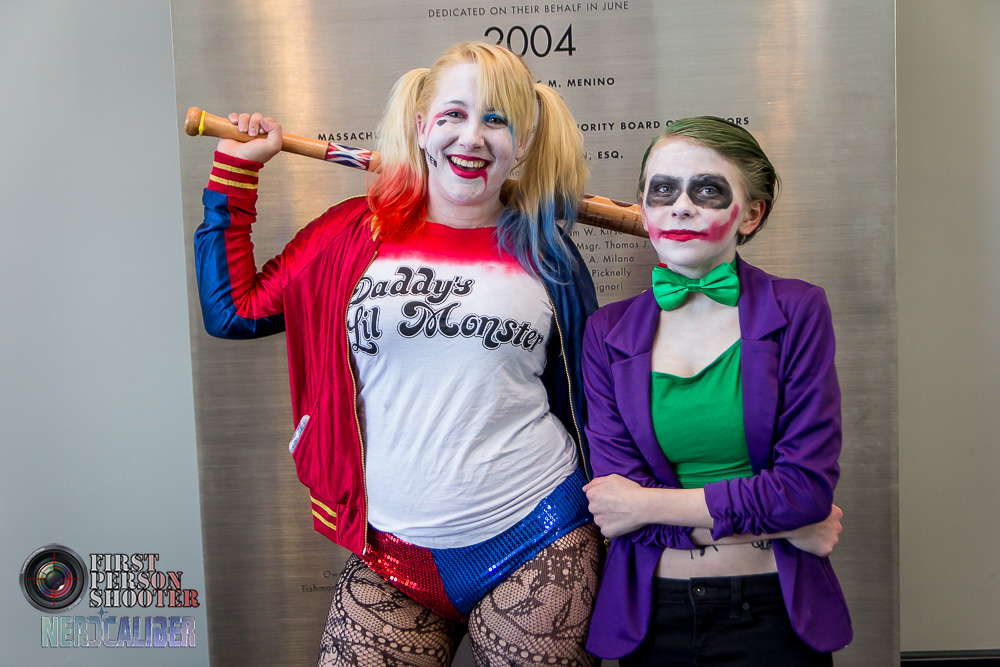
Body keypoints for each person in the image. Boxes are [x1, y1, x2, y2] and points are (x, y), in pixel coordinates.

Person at [193, 41, 603, 667]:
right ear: (421, 125)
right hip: (389, 552)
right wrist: (235, 172)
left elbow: (586, 399)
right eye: (453, 114)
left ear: (520, 144)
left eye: (496, 120)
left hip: (537, 533)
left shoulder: (548, 255)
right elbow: (234, 310)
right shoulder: (351, 234)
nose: (472, 137)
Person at [581, 117, 852, 665]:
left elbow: (804, 492)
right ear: (643, 210)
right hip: (653, 618)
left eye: (707, 190)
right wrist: (783, 524)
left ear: (751, 214)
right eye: (663, 190)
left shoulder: (798, 310)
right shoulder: (606, 332)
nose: (680, 207)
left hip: (774, 613)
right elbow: (613, 505)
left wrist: (649, 505)